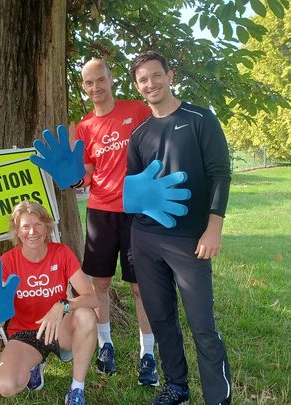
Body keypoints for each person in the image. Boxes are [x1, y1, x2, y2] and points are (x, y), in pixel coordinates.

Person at [127, 51, 232, 405]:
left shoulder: (200, 118)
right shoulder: (139, 134)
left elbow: (220, 173)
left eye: (156, 75)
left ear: (170, 75)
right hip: (146, 240)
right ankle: (176, 386)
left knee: (203, 324)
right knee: (161, 318)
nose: (151, 84)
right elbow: (134, 190)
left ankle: (217, 397)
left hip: (190, 240)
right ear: (137, 86)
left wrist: (213, 227)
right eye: (143, 79)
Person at [73, 58, 159, 385]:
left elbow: (158, 142)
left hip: (137, 211)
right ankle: (105, 345)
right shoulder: (84, 127)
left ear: (110, 79)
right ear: (84, 87)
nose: (96, 88)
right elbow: (87, 175)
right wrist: (72, 178)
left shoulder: (136, 111)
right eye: (89, 83)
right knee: (101, 285)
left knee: (140, 287)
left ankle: (147, 354)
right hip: (100, 212)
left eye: (100, 80)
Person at [0, 200, 98, 405]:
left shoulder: (61, 252)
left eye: (38, 224)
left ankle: (77, 390)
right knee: (7, 386)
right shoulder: (7, 261)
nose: (32, 232)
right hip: (24, 332)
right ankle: (34, 363)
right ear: (17, 231)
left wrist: (63, 305)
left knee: (86, 315)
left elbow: (92, 297)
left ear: (47, 226)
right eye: (25, 226)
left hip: (59, 328)